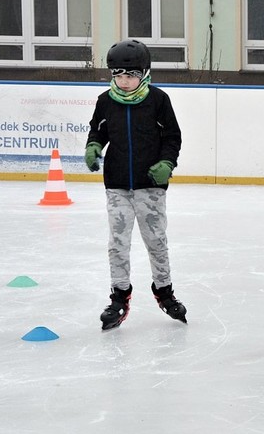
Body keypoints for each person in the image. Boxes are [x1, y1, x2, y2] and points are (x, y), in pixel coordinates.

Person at [85, 39, 187, 330]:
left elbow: (172, 138)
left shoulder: (158, 100)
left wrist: (167, 163)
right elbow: (98, 130)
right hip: (117, 184)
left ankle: (164, 291)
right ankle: (119, 296)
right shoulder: (106, 101)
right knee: (117, 243)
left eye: (131, 75)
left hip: (150, 185)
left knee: (156, 241)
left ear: (144, 74)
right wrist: (93, 146)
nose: (125, 81)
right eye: (118, 75)